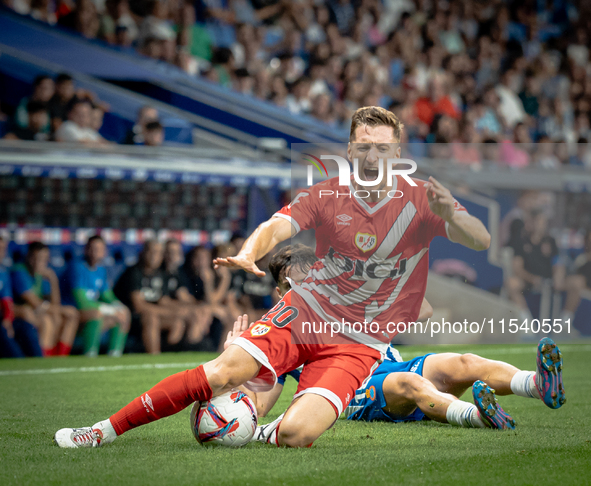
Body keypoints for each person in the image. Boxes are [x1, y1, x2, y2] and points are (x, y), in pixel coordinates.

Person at [54, 106, 493, 448]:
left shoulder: (422, 200)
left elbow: (481, 240)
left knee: (297, 435)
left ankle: (259, 428)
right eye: (363, 147)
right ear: (350, 150)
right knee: (223, 371)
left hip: (361, 341)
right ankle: (100, 431)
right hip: (308, 311)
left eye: (381, 148)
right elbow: (276, 226)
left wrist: (450, 215)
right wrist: (249, 252)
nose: (372, 156)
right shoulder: (325, 194)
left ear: (397, 154)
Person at [222, 245, 564, 437]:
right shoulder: (281, 337)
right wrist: (235, 362)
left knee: (464, 362)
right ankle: (479, 416)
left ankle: (538, 384)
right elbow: (258, 408)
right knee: (409, 381)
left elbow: (425, 310)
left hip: (395, 366)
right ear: (280, 293)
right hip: (357, 393)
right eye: (295, 286)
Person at [63, 235, 131, 357]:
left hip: (91, 311)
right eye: (92, 248)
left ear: (104, 252)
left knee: (123, 313)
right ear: (86, 250)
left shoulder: (101, 270)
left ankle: (114, 356)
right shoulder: (77, 267)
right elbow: (82, 302)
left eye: (99, 249)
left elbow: (107, 295)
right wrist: (110, 310)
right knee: (96, 314)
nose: (95, 252)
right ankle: (90, 354)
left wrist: (118, 306)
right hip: (73, 313)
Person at [113, 240, 185, 354]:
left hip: (153, 314)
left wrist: (182, 310)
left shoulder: (160, 274)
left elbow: (164, 301)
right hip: (130, 318)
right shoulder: (134, 272)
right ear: (143, 253)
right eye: (151, 252)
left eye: (158, 253)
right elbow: (138, 306)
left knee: (177, 321)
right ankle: (154, 357)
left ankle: (169, 354)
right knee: (151, 317)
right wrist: (166, 312)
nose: (154, 256)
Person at [11, 242, 79, 356]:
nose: (40, 262)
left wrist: (53, 279)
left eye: (44, 259)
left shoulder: (40, 275)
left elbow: (55, 303)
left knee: (67, 316)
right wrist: (60, 311)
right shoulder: (20, 271)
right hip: (20, 315)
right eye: (36, 258)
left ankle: (59, 358)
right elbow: (34, 303)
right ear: (28, 257)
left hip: (35, 311)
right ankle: (43, 359)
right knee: (48, 320)